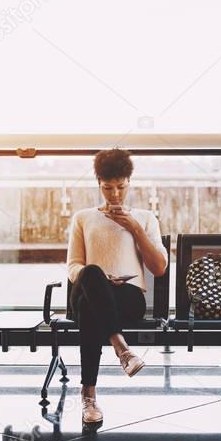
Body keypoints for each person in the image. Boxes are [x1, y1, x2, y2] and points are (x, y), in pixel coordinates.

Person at [65, 148, 168, 424]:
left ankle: (89, 397)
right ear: (98, 184)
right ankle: (122, 349)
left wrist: (134, 228)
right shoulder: (83, 218)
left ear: (129, 183)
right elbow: (74, 266)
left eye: (120, 187)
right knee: (92, 274)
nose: (114, 195)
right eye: (107, 188)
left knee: (90, 309)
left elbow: (159, 267)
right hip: (88, 288)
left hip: (127, 298)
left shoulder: (145, 218)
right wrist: (98, 277)